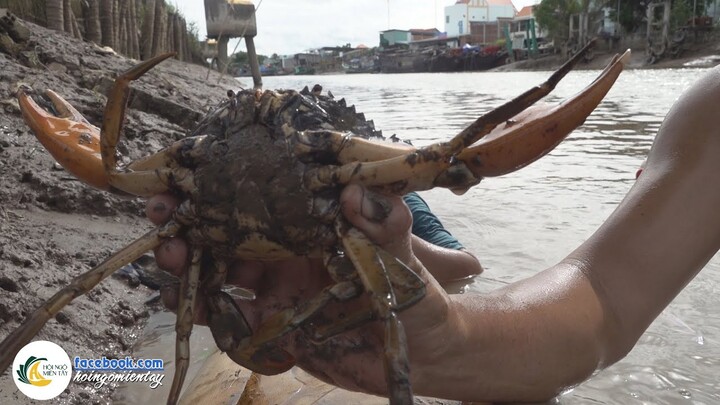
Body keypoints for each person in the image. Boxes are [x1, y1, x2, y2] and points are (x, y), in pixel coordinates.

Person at [148, 65, 720, 403]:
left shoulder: (396, 191)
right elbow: (607, 295)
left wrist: (429, 283)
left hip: (388, 234)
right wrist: (454, 343)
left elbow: (467, 262)